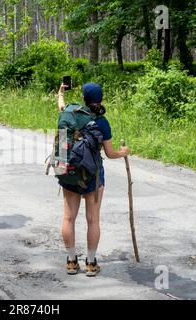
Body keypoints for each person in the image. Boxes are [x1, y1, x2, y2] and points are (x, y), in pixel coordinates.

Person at [57, 82, 130, 277]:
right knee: (93, 219)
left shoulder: (71, 113)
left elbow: (62, 107)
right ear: (101, 99)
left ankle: (72, 262)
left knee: (68, 218)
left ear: (84, 98)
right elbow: (110, 152)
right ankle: (90, 263)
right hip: (93, 175)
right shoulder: (102, 122)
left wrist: (60, 94)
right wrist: (123, 152)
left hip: (69, 171)